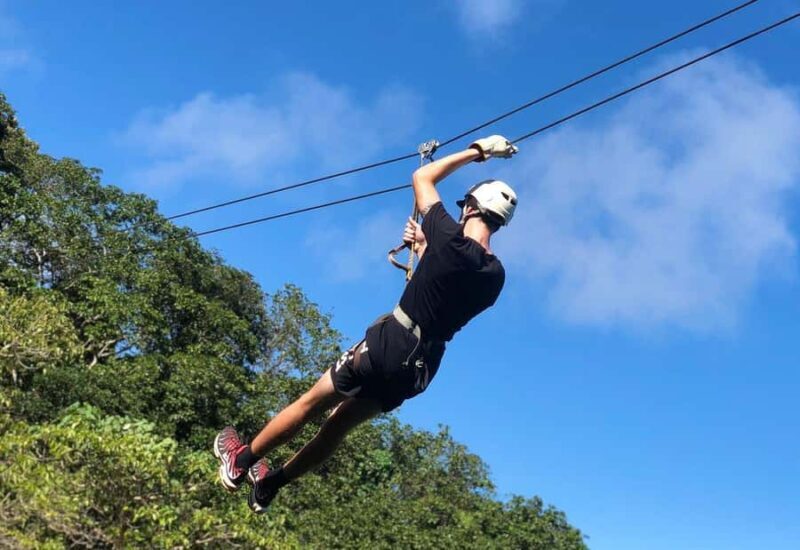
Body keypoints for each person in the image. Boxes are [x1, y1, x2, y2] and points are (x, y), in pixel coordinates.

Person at [213, 135, 519, 513]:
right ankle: (270, 486)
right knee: (337, 429)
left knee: (312, 402)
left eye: (464, 207)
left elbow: (422, 177)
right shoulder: (495, 275)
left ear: (471, 208)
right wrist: (425, 249)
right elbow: (445, 291)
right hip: (421, 367)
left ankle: (240, 462)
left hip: (393, 340)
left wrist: (479, 152)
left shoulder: (450, 239)